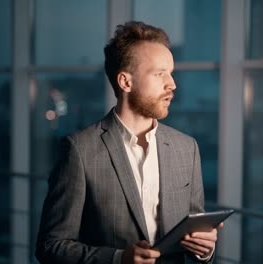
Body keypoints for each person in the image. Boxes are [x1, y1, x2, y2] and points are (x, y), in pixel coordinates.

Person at [35, 21, 221, 264]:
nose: (172, 84)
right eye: (159, 74)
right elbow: (51, 246)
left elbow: (194, 234)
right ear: (125, 82)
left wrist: (204, 249)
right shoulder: (79, 150)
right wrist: (118, 259)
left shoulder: (187, 148)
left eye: (171, 73)